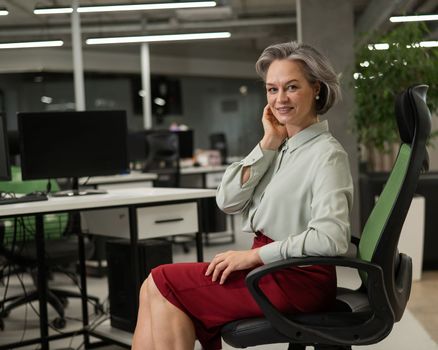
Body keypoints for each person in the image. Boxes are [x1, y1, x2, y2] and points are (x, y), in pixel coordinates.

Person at [131, 41, 353, 350]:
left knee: (162, 281)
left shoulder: (326, 154)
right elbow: (228, 200)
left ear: (316, 89)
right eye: (272, 90)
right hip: (271, 270)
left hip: (294, 278)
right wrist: (268, 142)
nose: (280, 99)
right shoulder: (282, 146)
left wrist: (253, 256)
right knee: (151, 288)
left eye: (291, 87)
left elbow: (332, 239)